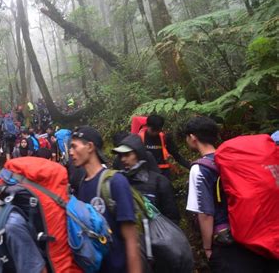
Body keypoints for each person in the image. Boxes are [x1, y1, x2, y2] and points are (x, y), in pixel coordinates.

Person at [184, 117, 278, 272]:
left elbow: (205, 213)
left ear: (193, 137)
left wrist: (207, 248)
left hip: (227, 243)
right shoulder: (234, 158)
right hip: (255, 235)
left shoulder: (200, 168)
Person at [69, 126, 142, 273]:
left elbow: (131, 239)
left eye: (74, 146)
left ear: (90, 147)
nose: (70, 152)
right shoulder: (82, 184)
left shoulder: (116, 182)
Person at [113, 134, 180, 224]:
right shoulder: (119, 182)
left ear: (138, 154)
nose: (123, 159)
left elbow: (172, 217)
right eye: (120, 156)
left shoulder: (159, 182)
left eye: (127, 154)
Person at [139, 114, 190, 179]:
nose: (155, 133)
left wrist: (189, 166)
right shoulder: (139, 138)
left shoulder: (164, 138)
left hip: (163, 172)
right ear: (147, 126)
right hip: (147, 173)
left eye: (158, 130)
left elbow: (176, 156)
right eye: (153, 130)